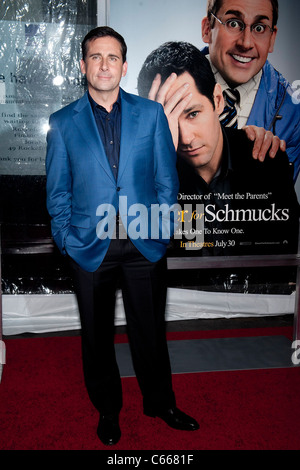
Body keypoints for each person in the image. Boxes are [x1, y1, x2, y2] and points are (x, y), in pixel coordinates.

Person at [46, 27, 199, 447]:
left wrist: (165, 227)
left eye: (112, 57)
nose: (104, 65)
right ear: (83, 65)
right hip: (88, 247)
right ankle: (108, 410)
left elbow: (167, 179)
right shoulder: (62, 124)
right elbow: (57, 191)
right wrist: (65, 239)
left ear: (124, 66)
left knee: (149, 331)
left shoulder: (150, 115)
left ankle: (161, 403)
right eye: (96, 57)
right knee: (96, 338)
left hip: (144, 243)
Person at [137, 41, 299, 256]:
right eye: (167, 123)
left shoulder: (266, 160)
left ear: (218, 100)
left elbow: (286, 261)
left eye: (192, 114)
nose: (185, 137)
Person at [201, 0, 300, 182]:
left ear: (272, 38)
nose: (246, 43)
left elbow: (276, 202)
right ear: (207, 29)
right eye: (233, 23)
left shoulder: (293, 114)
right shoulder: (162, 88)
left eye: (260, 28)